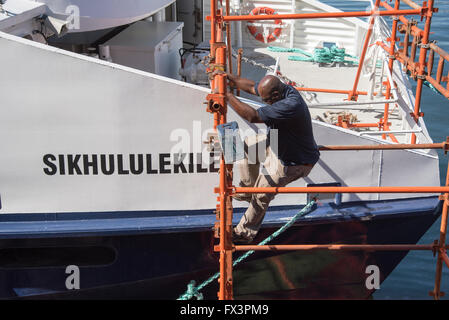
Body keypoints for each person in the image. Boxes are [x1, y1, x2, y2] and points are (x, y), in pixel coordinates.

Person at [224, 73, 320, 244]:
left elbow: (252, 116)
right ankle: (247, 190)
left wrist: (227, 95)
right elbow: (252, 86)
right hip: (278, 143)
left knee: (261, 194)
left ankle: (243, 234)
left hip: (292, 161)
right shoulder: (279, 89)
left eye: (266, 100)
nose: (265, 102)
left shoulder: (291, 104)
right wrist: (231, 79)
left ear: (275, 95)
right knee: (246, 146)